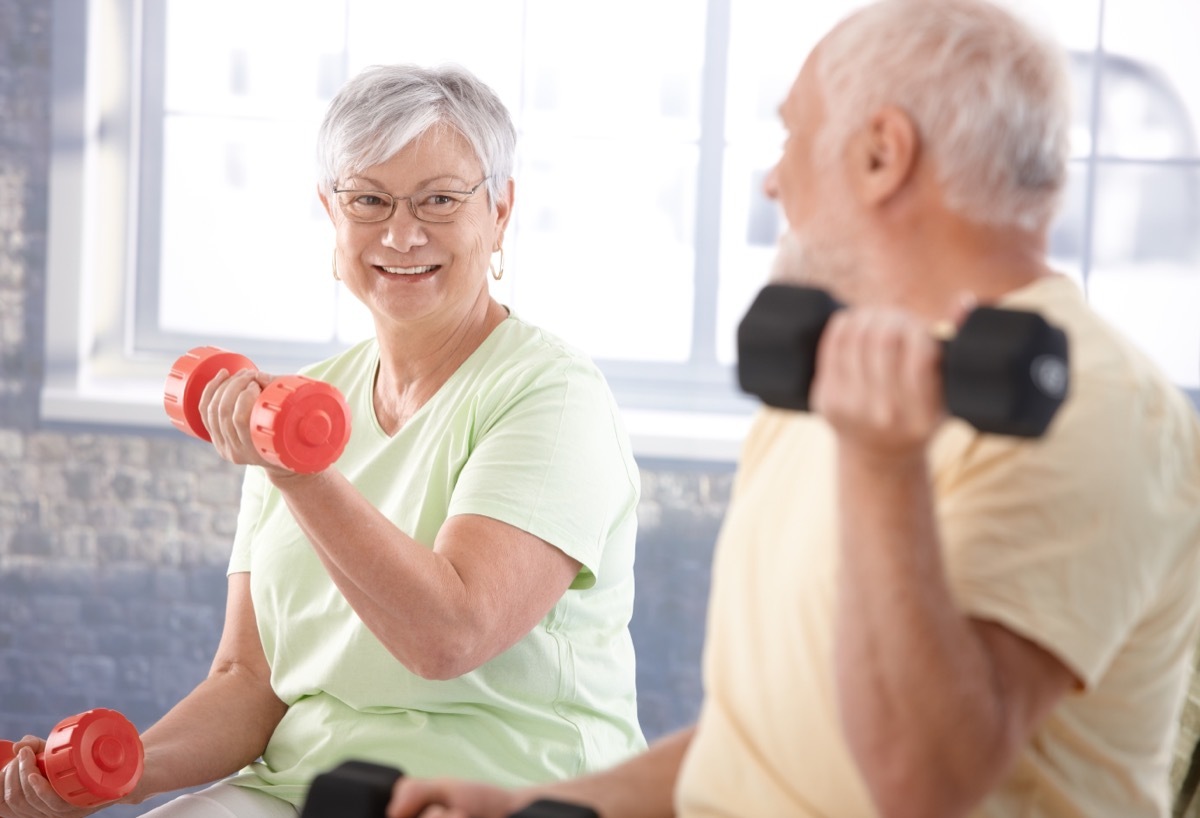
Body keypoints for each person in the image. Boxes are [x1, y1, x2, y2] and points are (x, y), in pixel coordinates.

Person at [382, 1, 1200, 816]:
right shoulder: (829, 385)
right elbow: (756, 754)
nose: (774, 181)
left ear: (883, 155)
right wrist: (538, 808)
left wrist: (882, 466)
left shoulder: (1093, 406)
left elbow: (924, 786)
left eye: (792, 137)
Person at [0, 63, 646, 818]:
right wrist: (120, 777)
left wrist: (301, 475)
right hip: (304, 790)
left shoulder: (551, 395)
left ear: (499, 211)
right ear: (330, 212)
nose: (401, 233)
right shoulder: (301, 404)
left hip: (500, 792)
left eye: (440, 199)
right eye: (368, 199)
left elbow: (449, 638)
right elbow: (247, 682)